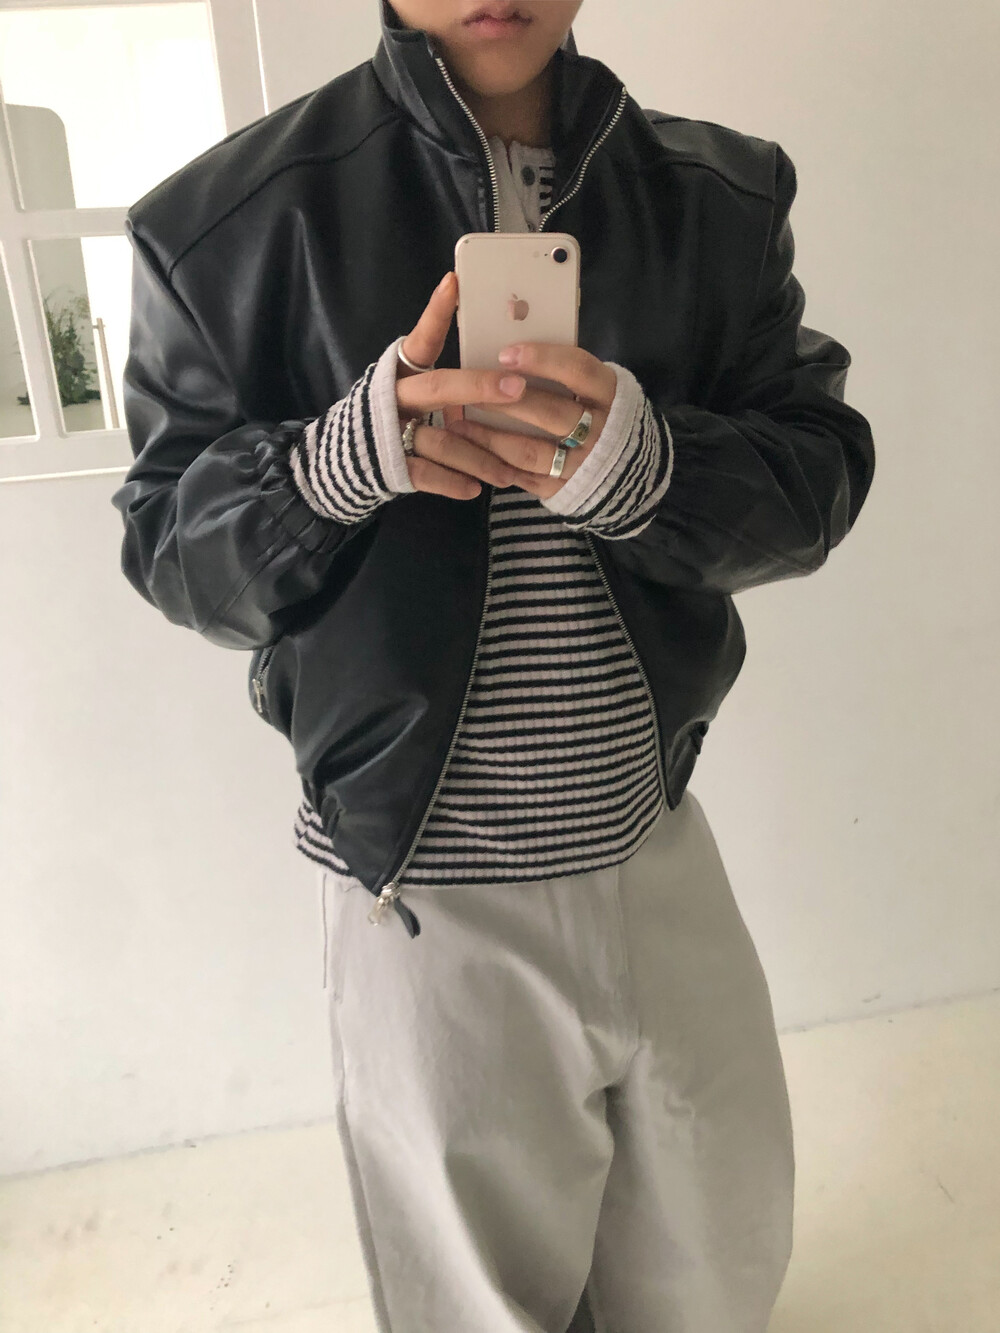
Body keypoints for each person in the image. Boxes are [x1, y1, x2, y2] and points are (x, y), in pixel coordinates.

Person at [111, 1, 875, 1328]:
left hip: (651, 833)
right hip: (422, 883)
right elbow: (174, 549)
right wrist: (334, 467)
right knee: (482, 1298)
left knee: (720, 1253)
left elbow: (815, 477)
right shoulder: (224, 222)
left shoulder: (722, 195)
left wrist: (651, 468)